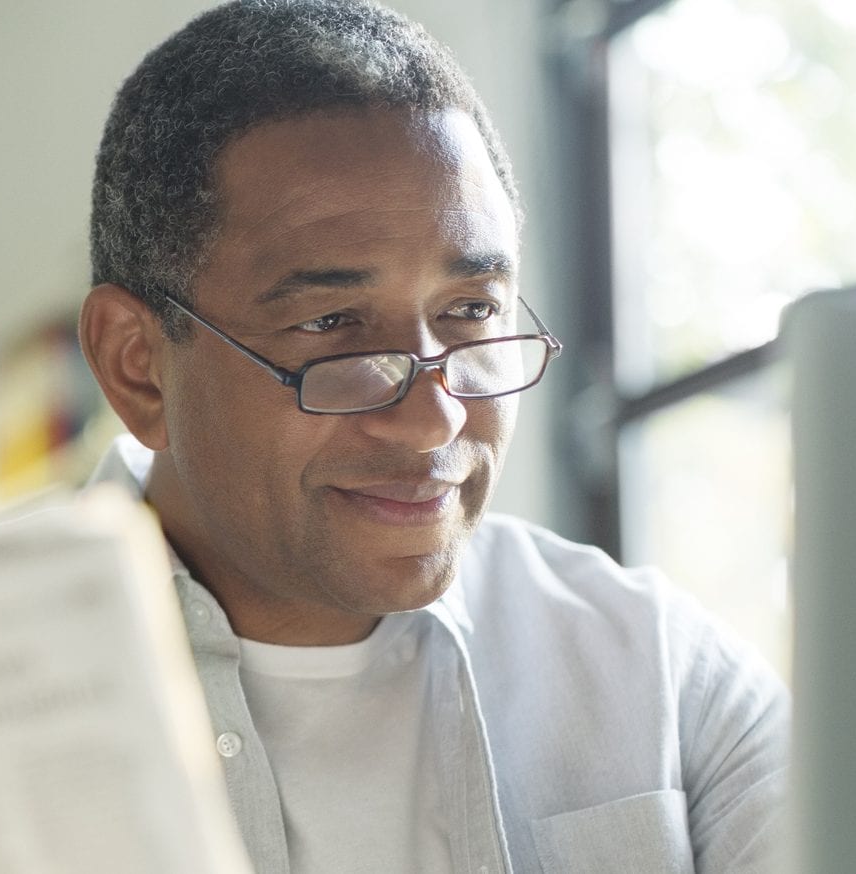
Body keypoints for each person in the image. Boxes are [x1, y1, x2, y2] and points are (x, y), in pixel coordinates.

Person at [75, 2, 788, 872]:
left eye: (469, 313)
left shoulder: (665, 680)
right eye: (332, 322)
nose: (433, 417)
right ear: (138, 364)